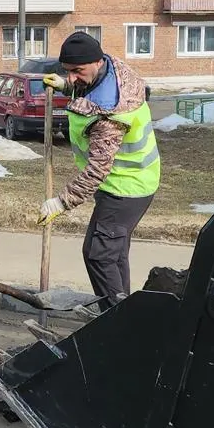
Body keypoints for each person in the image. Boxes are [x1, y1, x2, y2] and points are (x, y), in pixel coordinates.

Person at [36, 30, 161, 308]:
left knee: (100, 256)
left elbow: (96, 170)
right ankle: (125, 311)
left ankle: (118, 323)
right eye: (67, 71)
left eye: (77, 71)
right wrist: (67, 87)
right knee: (111, 255)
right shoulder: (111, 68)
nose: (72, 77)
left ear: (96, 62)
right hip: (132, 182)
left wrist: (60, 202)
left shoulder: (108, 115)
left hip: (125, 188)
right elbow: (90, 88)